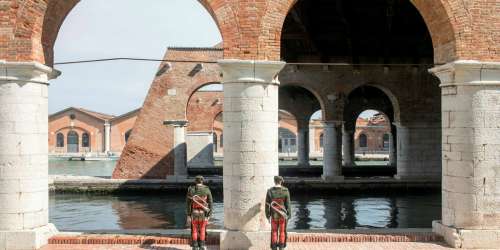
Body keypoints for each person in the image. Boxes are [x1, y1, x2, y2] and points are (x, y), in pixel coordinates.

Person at [186, 175, 213, 250]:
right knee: (202, 229)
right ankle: (202, 246)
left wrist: (188, 215)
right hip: (203, 213)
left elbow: (188, 204)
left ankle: (195, 246)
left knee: (194, 229)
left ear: (195, 181)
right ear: (202, 181)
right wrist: (209, 215)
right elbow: (210, 203)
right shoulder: (207, 189)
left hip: (194, 213)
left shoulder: (191, 189)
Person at [265, 176, 291, 250]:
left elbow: (267, 205)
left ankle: (274, 248)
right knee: (282, 232)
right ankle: (281, 248)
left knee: (274, 231)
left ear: (274, 181)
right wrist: (289, 215)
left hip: (274, 215)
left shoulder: (270, 191)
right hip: (283, 215)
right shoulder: (285, 191)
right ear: (281, 181)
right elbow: (288, 205)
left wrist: (268, 215)